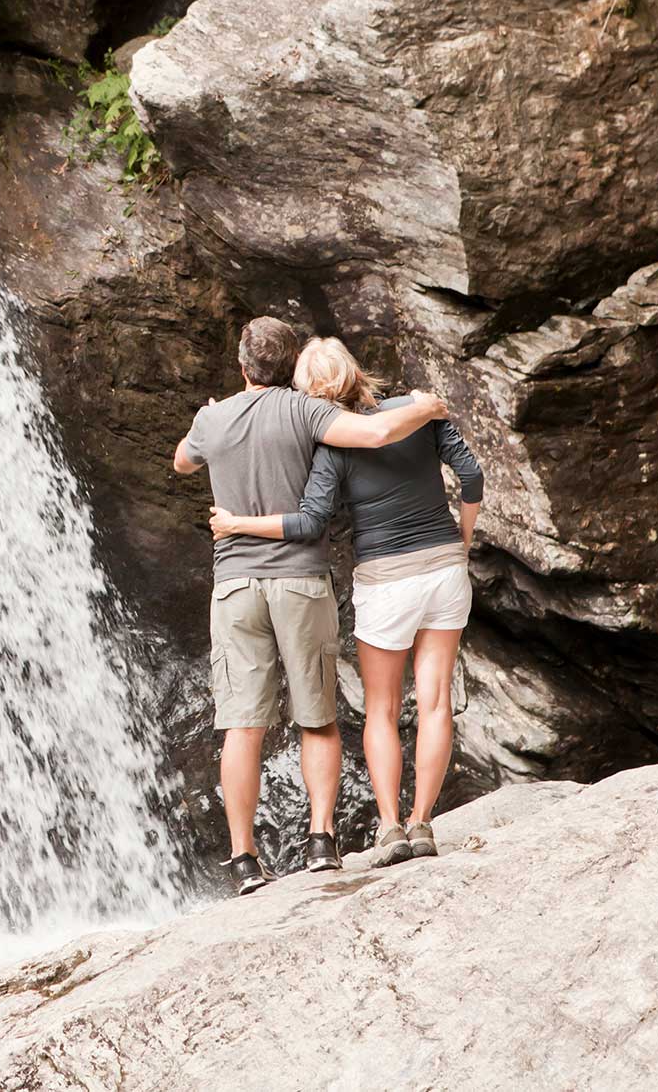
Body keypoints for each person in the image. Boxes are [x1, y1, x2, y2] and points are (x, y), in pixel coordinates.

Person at [174, 318, 449, 895]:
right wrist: (425, 407)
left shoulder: (211, 417)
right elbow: (375, 435)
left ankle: (244, 859)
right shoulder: (304, 411)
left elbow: (182, 462)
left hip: (235, 586)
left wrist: (211, 420)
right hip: (300, 581)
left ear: (242, 363)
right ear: (289, 364)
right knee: (317, 717)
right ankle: (321, 843)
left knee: (242, 726)